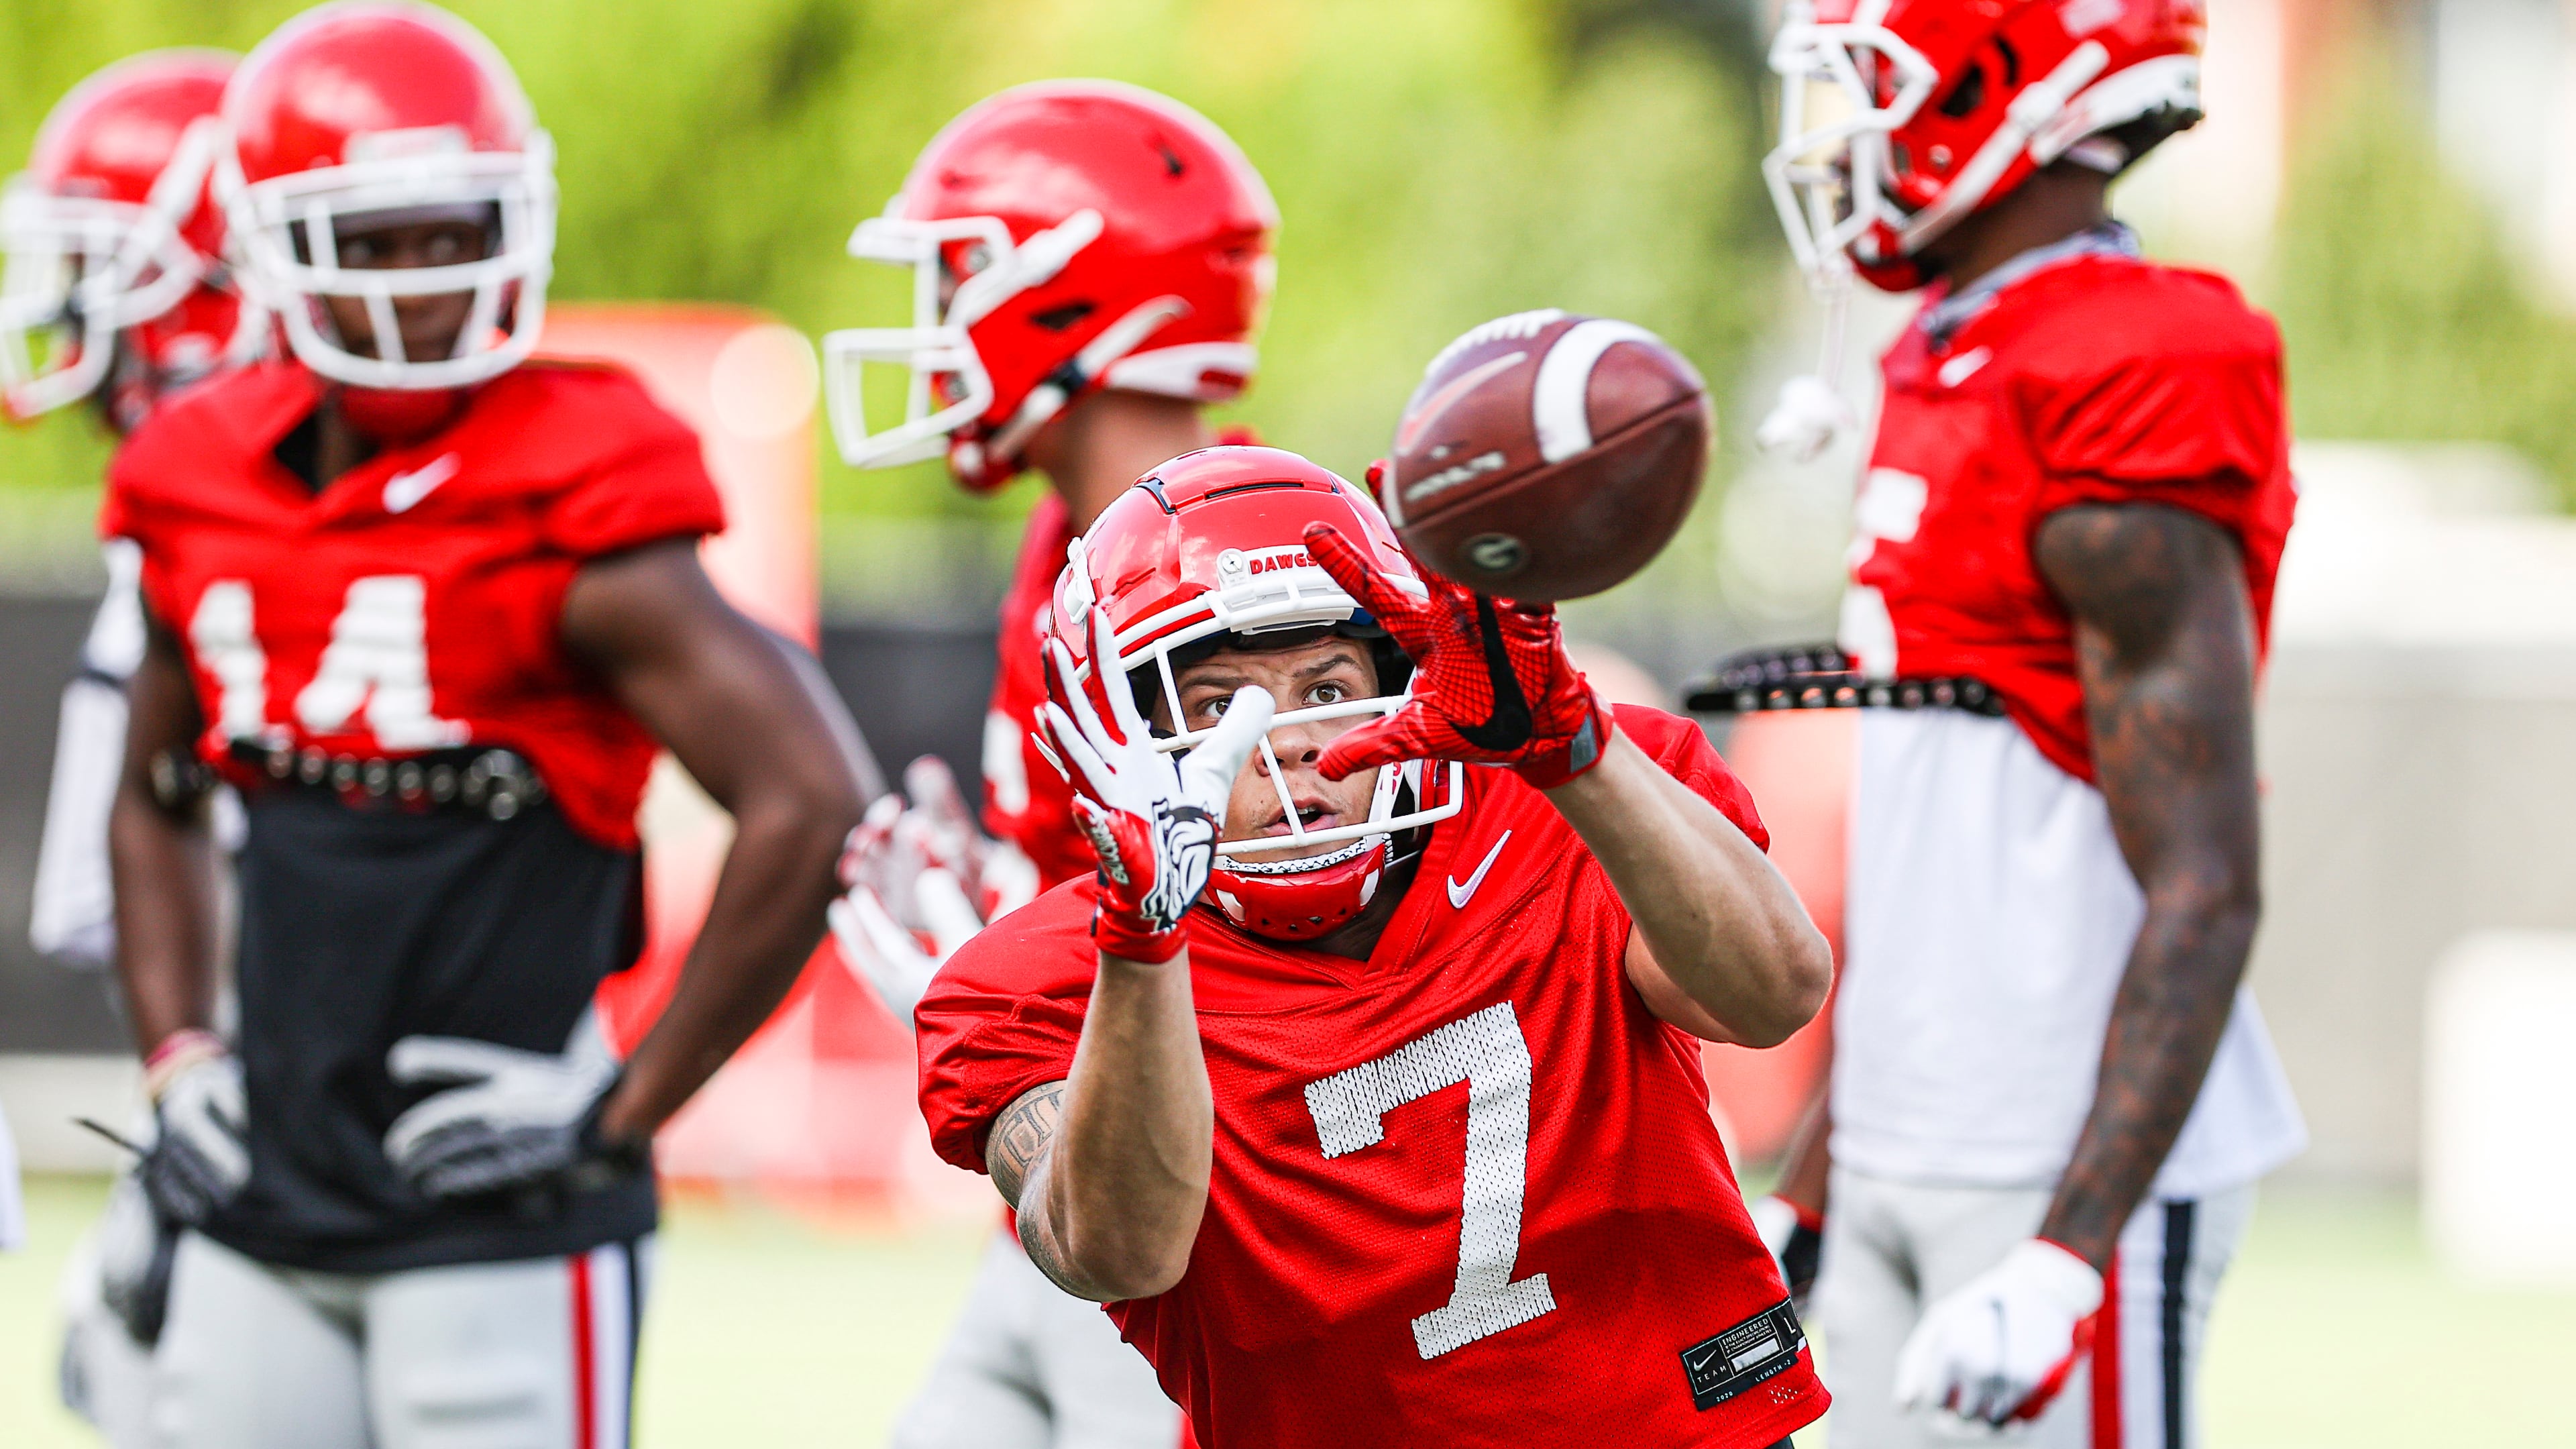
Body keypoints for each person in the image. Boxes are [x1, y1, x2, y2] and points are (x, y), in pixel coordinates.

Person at [105, 6, 867, 1444]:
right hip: (269, 1185)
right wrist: (178, 1054)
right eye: (372, 238)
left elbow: (811, 800)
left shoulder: (580, 482)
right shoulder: (194, 478)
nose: (421, 280)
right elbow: (153, 789)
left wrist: (623, 1107)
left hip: (500, 1212)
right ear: (268, 245)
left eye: (451, 230)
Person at [915, 445, 1836, 1448]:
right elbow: (1115, 1254)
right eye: (1219, 703)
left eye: (1325, 686)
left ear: (1404, 676)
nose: (1290, 744)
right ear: (1117, 729)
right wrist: (1142, 946)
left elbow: (1775, 996)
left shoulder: (1573, 804)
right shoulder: (1037, 982)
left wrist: (1577, 752)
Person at [1735, 3, 2309, 1445]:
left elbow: (2207, 877)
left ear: (2015, 85)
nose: (1849, 132)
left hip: (2056, 1149)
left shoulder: (2126, 361)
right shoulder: (1954, 347)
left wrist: (2070, 1252)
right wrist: (1816, 1166)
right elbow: (1941, 841)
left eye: (1880, 88)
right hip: (1899, 1134)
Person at [821, 79, 1276, 1449]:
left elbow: (1284, 919)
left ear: (1080, 302)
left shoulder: (1234, 567)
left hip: (1204, 1201)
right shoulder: (1063, 549)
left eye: (962, 278)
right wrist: (999, 938)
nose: (935, 325)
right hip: (1062, 1172)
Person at [0, 49, 265, 1445]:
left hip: (317, 1130)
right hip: (222, 1108)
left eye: (97, 257)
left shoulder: (268, 525)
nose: (62, 303)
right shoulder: (171, 514)